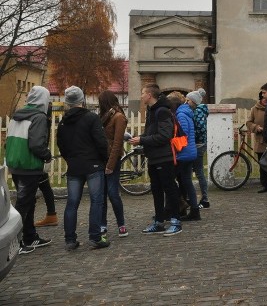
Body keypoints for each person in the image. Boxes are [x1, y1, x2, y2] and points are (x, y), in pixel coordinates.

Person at [57, 86, 110, 250]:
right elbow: (101, 142)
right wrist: (104, 159)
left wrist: (70, 159)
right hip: (93, 164)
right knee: (96, 201)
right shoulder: (91, 118)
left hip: (74, 165)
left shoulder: (63, 122)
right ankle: (95, 237)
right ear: (82, 100)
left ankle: (70, 239)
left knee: (72, 203)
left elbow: (61, 145)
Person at [130, 84, 183, 236]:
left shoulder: (162, 111)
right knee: (157, 190)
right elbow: (152, 133)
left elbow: (165, 136)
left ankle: (175, 221)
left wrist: (142, 140)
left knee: (169, 189)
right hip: (154, 157)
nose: (141, 96)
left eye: (142, 93)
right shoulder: (152, 111)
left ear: (150, 95)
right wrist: (140, 139)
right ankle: (159, 222)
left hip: (164, 157)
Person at [5, 85, 53, 253]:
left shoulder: (17, 115)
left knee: (28, 202)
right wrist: (47, 155)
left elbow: (7, 142)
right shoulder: (38, 117)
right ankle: (15, 243)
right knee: (23, 204)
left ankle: (30, 237)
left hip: (15, 165)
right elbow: (36, 144)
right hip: (29, 166)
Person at [99, 91, 129, 238]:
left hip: (112, 159)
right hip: (101, 158)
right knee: (102, 193)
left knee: (112, 193)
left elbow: (117, 143)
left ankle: (121, 224)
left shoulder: (118, 117)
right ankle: (102, 224)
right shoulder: (105, 117)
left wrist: (110, 165)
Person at [173, 94, 200, 221]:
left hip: (184, 153)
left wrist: (174, 145)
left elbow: (182, 136)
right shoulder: (187, 113)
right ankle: (191, 209)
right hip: (189, 152)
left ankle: (191, 208)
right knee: (186, 182)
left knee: (172, 181)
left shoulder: (181, 115)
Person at [186, 90, 210, 209]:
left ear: (194, 101)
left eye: (188, 100)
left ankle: (204, 199)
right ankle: (193, 198)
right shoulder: (196, 110)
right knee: (193, 172)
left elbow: (200, 128)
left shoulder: (198, 111)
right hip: (196, 144)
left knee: (199, 172)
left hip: (198, 144)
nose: (186, 102)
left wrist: (192, 135)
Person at [246, 91, 267, 193]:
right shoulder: (254, 109)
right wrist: (256, 127)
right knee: (263, 164)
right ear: (260, 99)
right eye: (264, 99)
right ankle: (265, 185)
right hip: (260, 140)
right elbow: (249, 122)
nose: (266, 101)